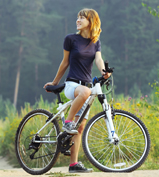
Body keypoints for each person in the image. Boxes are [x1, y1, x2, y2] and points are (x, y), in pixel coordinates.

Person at [44, 8, 111, 173]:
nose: (78, 20)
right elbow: (64, 62)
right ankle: (67, 122)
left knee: (80, 128)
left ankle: (73, 165)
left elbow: (99, 59)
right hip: (72, 86)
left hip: (85, 88)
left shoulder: (95, 42)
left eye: (82, 17)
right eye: (78, 17)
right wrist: (55, 82)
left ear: (91, 21)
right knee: (83, 97)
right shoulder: (70, 39)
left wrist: (103, 71)